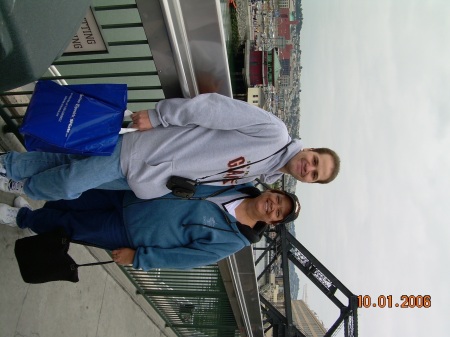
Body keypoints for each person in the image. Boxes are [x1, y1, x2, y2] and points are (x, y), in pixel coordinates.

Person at [0, 93, 340, 201]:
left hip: (150, 178)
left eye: (313, 175)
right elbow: (212, 108)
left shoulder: (263, 175)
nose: (308, 167)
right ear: (311, 150)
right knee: (69, 184)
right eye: (314, 161)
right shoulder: (274, 133)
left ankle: (10, 167)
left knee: (69, 161)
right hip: (146, 151)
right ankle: (21, 182)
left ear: (308, 182)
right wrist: (160, 116)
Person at [0, 184, 301, 270]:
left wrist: (139, 257)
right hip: (133, 194)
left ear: (272, 221)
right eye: (278, 199)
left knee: (71, 226)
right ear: (272, 192)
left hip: (130, 232)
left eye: (279, 212)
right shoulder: (239, 184)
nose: (274, 206)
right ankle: (34, 217)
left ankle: (22, 219)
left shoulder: (234, 240)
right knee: (73, 197)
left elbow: (186, 258)